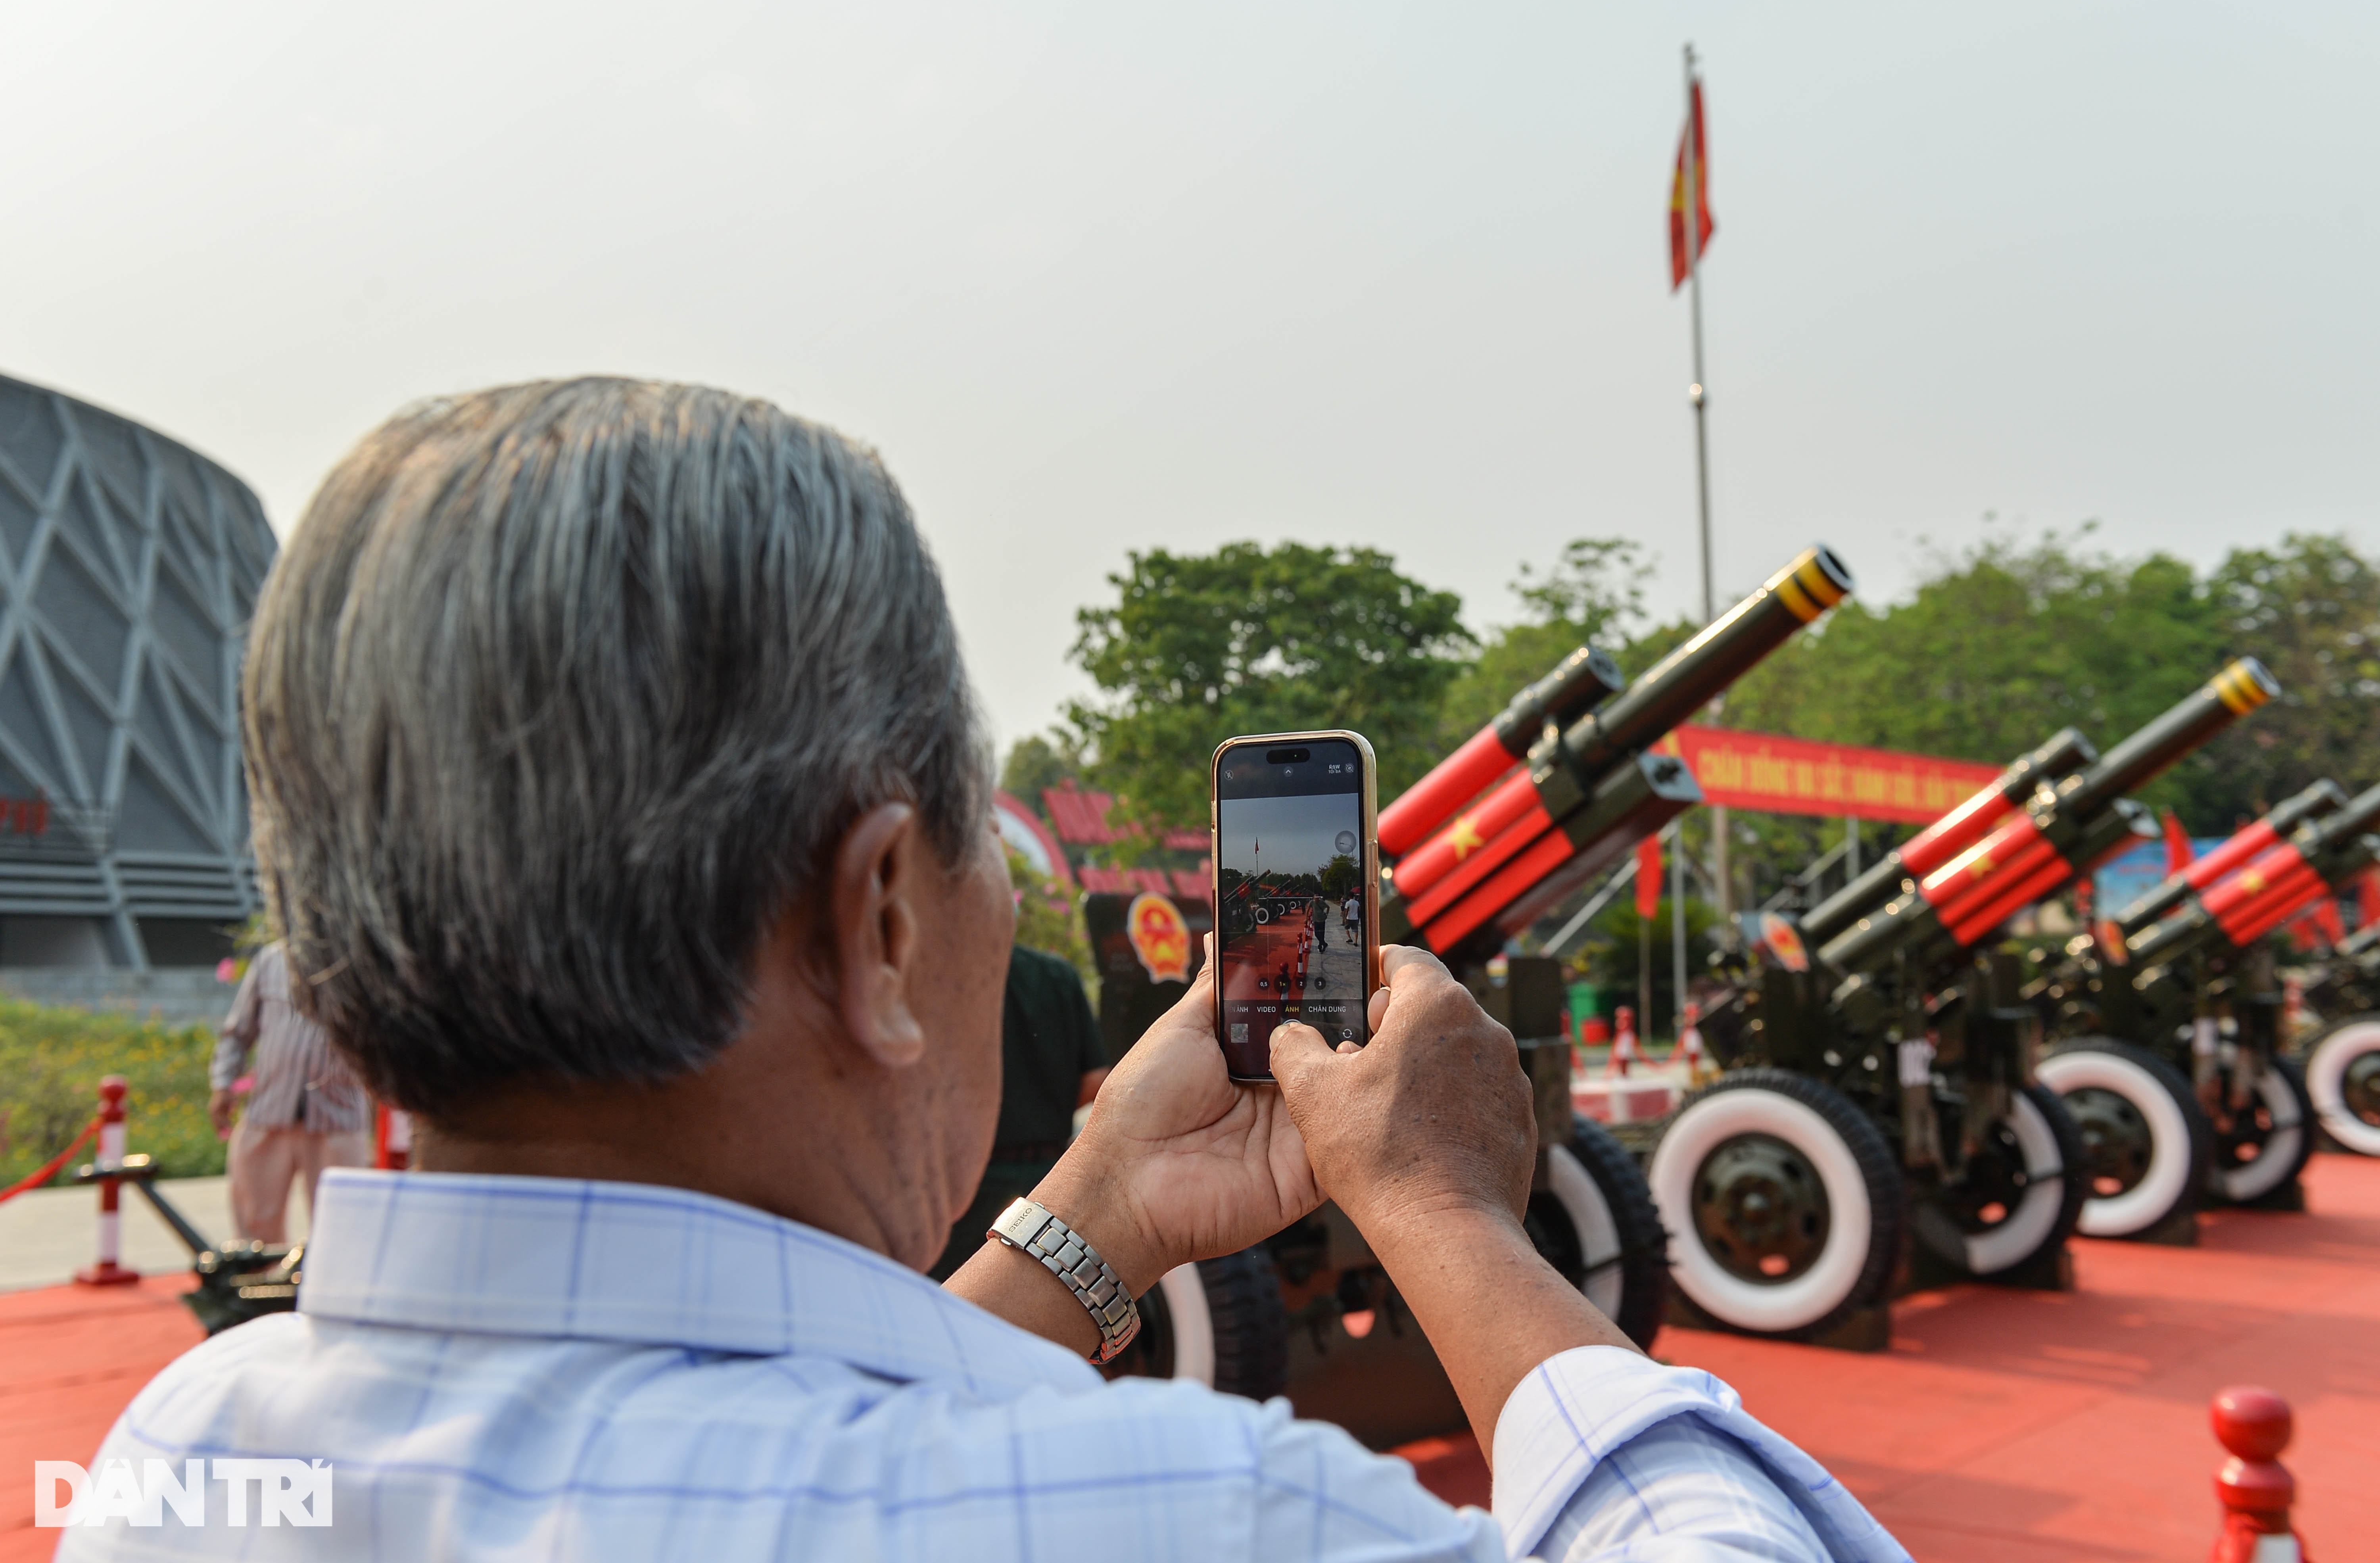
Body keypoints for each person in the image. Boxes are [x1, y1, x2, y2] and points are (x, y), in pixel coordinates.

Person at [72, 380, 1904, 1561]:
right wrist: (1450, 1224)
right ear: (875, 916)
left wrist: (1085, 1224)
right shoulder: (1189, 1517)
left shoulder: (191, 1456)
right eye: (976, 862)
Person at [928, 942, 1109, 1280]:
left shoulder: (937, 975)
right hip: (1052, 1183)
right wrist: (1041, 1112)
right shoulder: (1058, 975)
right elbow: (1098, 1078)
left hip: (965, 1188)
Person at [207, 939, 372, 1242]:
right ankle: (260, 1286)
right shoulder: (272, 959)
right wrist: (222, 1084)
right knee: (255, 1223)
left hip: (338, 1118)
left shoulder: (362, 958)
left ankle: (330, 1288)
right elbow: (237, 1033)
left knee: (343, 1228)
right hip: (270, 1111)